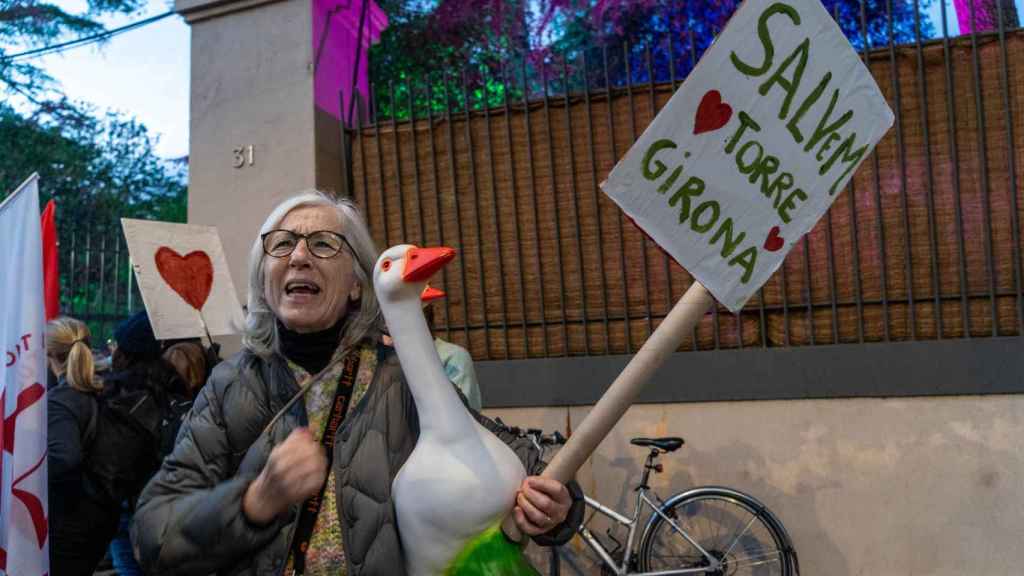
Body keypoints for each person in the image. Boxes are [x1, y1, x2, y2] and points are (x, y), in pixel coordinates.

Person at [132, 190, 582, 575]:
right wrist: (252, 503)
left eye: (324, 244)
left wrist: (558, 508)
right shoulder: (229, 387)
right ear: (263, 278)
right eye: (282, 244)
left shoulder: (400, 377)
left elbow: (527, 465)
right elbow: (154, 535)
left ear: (355, 284)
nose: (300, 256)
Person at [46, 317, 121, 575]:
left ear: (50, 356)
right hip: (102, 515)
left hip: (69, 522)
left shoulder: (60, 401)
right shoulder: (104, 389)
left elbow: (64, 459)